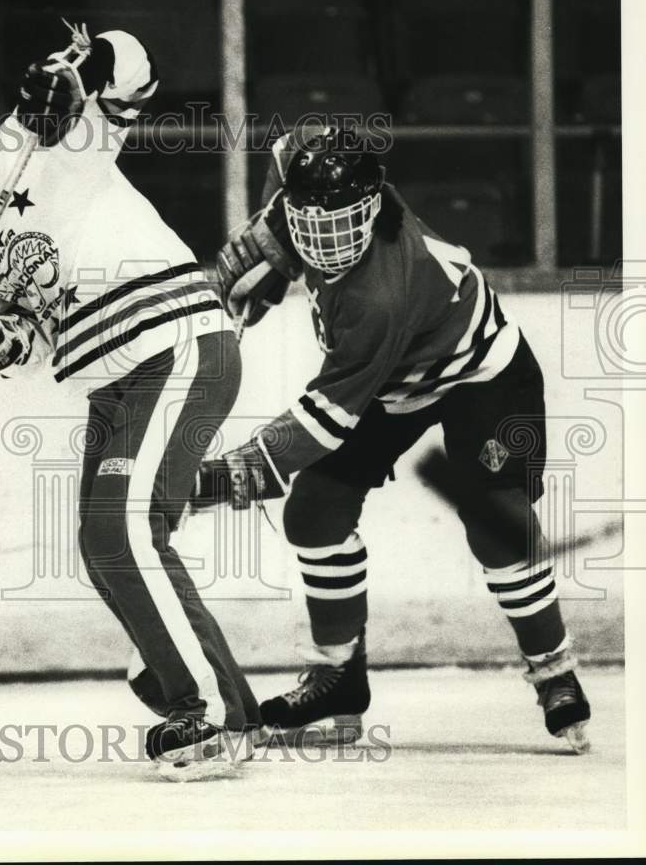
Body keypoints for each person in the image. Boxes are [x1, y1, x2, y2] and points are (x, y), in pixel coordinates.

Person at [0, 24, 260, 779]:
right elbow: (28, 344)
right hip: (108, 380)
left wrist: (79, 69)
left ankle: (211, 719)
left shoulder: (42, 140)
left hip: (173, 342)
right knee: (104, 542)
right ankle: (206, 694)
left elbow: (134, 67)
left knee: (122, 527)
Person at [196, 122, 592, 753]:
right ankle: (338, 677)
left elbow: (322, 423)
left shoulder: (378, 297)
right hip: (392, 382)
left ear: (375, 206)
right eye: (307, 221)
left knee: (498, 526)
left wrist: (220, 477)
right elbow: (292, 143)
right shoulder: (309, 182)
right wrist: (268, 222)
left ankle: (554, 670)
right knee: (314, 513)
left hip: (480, 372)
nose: (326, 243)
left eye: (342, 222)